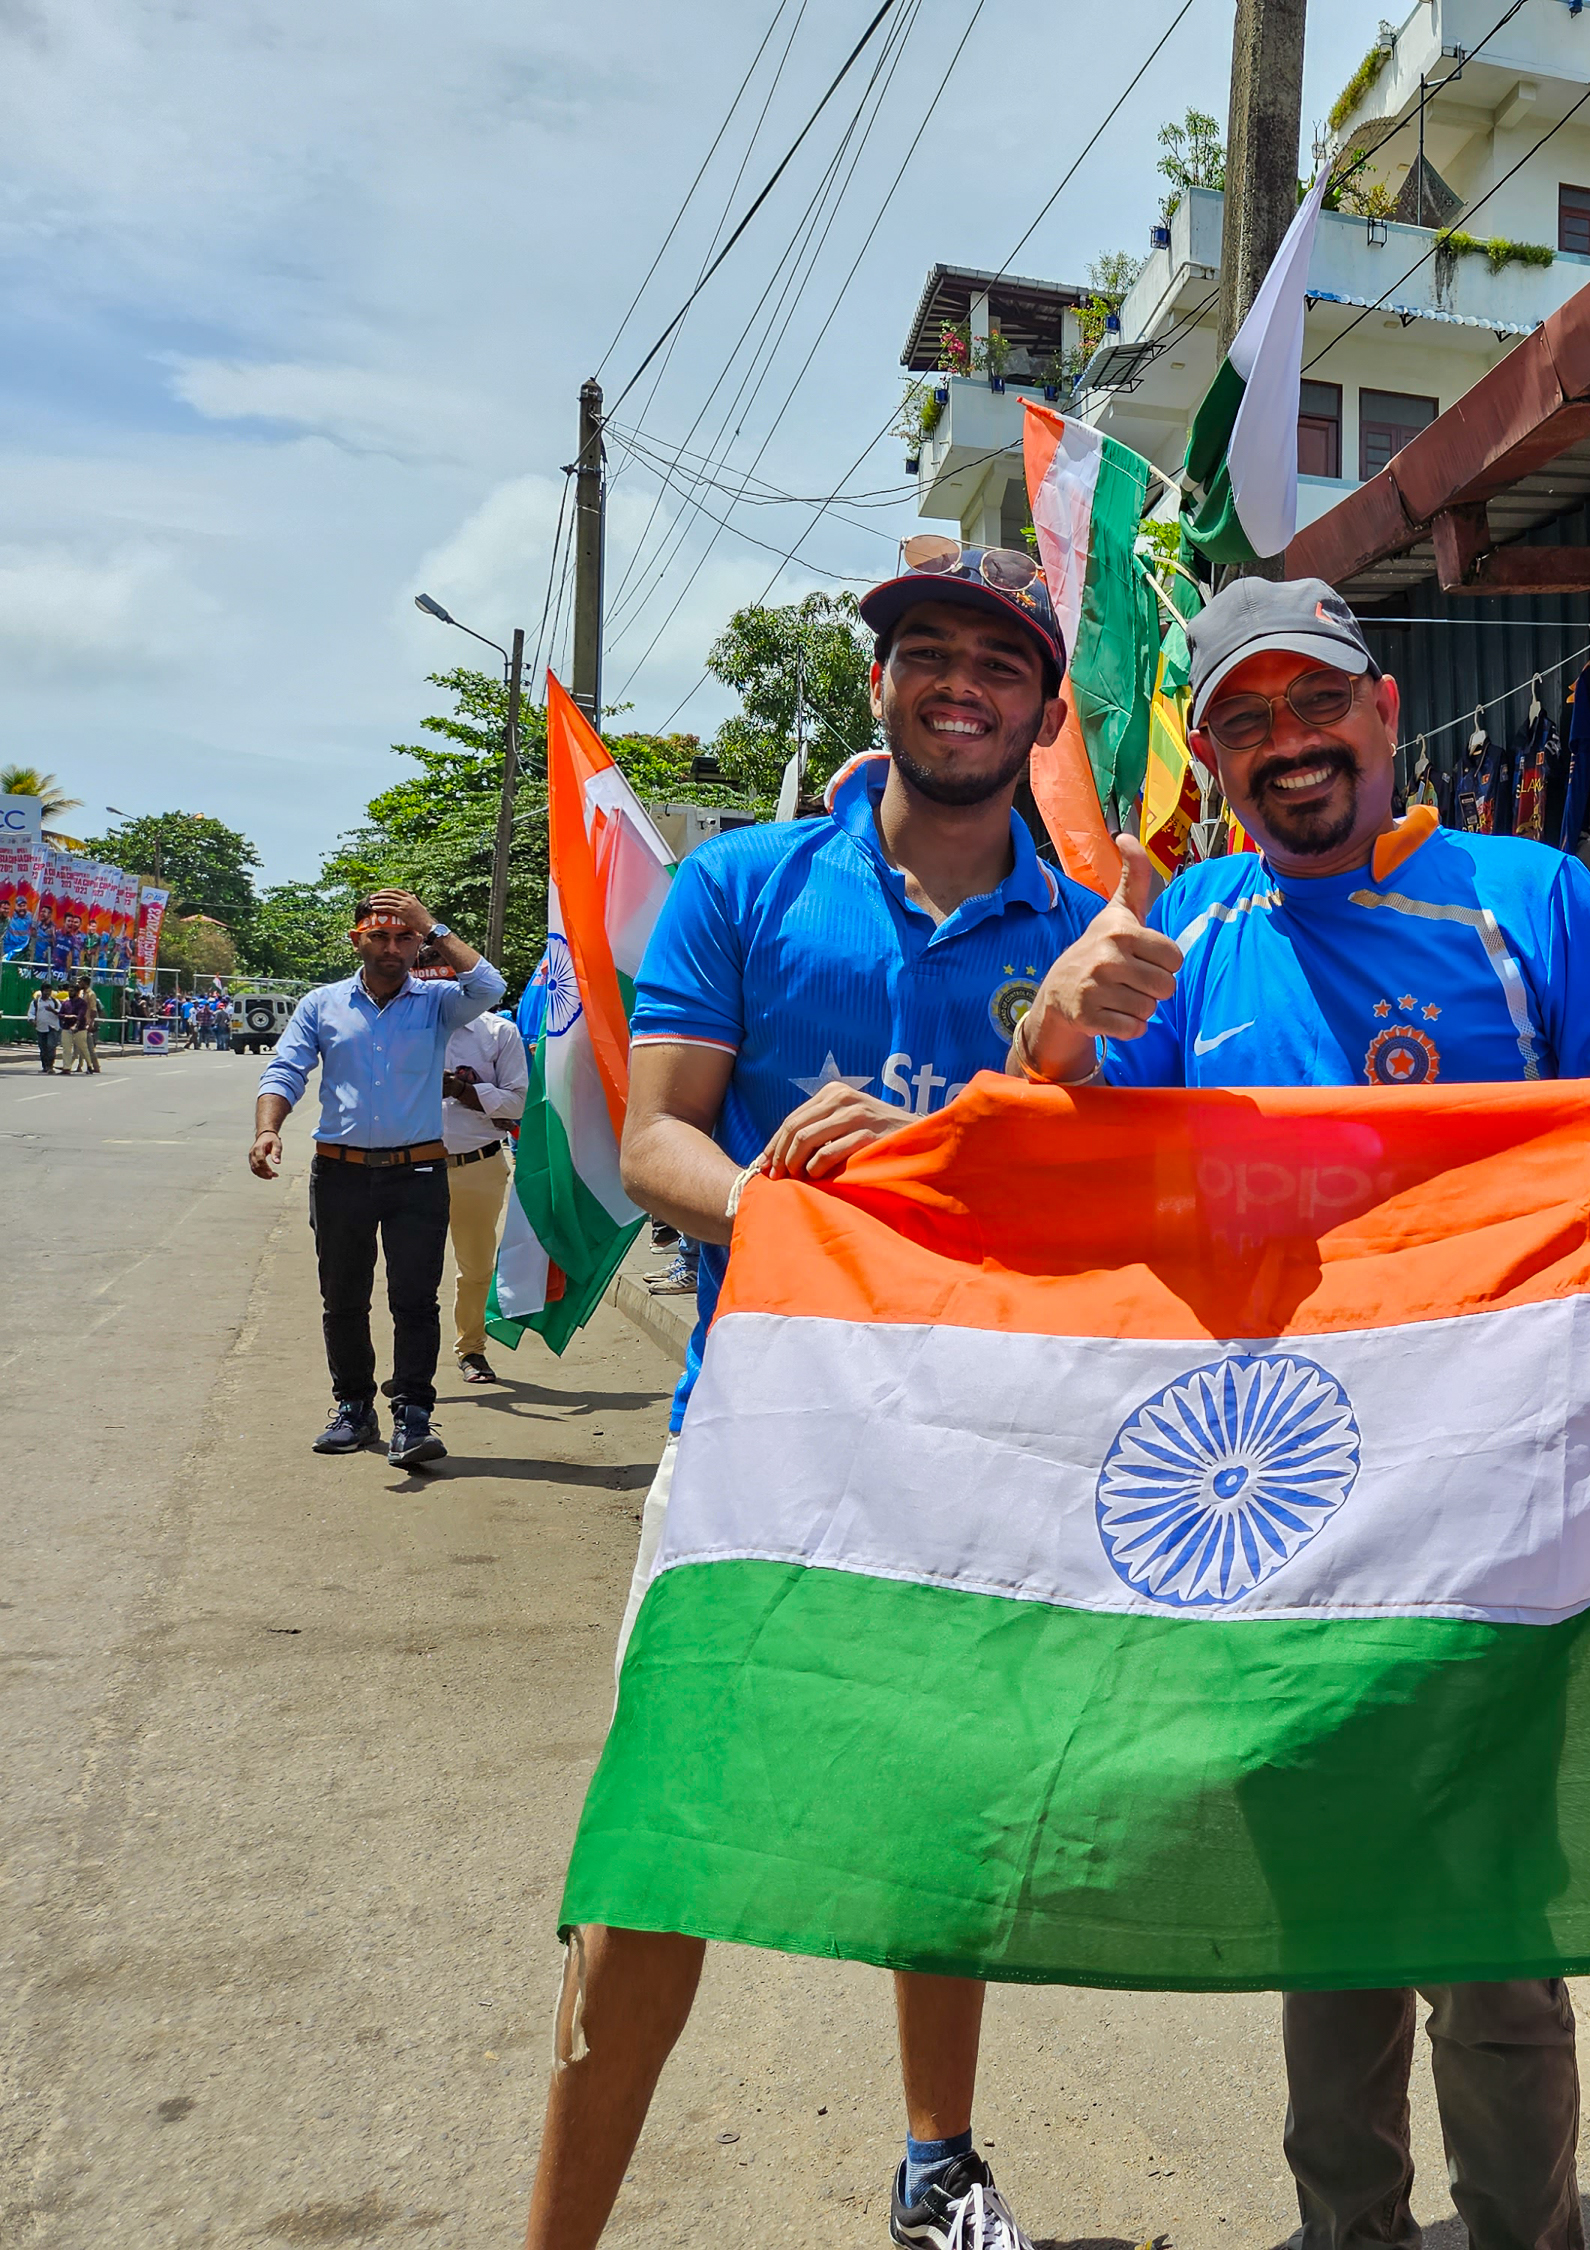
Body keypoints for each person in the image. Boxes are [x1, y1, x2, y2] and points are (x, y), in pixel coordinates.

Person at [1014, 577, 1590, 2250]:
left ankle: (1526, 2238)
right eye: (1248, 724)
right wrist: (1065, 1012)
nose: (1289, 748)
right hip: (1282, 1532)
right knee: (1330, 1940)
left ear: (1383, 709)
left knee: (1495, 1953)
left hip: (1502, 1524)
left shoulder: (1532, 900)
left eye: (1314, 707)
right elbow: (1054, 1154)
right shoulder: (1181, 935)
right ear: (1206, 757)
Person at [523, 540, 1101, 2250]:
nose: (961, 685)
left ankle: (939, 2163)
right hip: (758, 1438)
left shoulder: (1084, 942)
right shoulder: (748, 885)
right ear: (881, 686)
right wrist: (805, 1212)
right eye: (928, 653)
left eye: (997, 665)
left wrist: (966, 1138)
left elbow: (1105, 1191)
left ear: (1042, 707)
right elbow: (652, 1141)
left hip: (979, 1445)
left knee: (948, 1832)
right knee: (655, 1864)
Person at [248, 891, 505, 1469]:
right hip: (340, 1172)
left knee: (415, 1299)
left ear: (418, 944)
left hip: (417, 1172)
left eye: (404, 937)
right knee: (343, 1298)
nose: (393, 948)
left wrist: (432, 924)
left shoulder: (439, 1003)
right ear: (357, 939)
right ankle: (353, 1408)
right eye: (381, 937)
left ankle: (413, 1413)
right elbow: (286, 1068)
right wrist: (268, 1128)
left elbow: (489, 987)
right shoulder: (321, 1004)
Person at [424, 943, 528, 1385]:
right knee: (412, 1272)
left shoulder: (498, 1033)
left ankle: (472, 1350)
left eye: (447, 978)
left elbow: (518, 1103)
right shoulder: (405, 1029)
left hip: (477, 1166)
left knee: (477, 1268)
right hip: (415, 1167)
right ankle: (413, 1366)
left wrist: (465, 1091)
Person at [61, 986, 99, 1073]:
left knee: (83, 1048)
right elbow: (60, 1014)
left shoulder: (82, 1003)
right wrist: (66, 1016)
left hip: (80, 1029)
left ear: (77, 992)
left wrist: (76, 1025)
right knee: (66, 1048)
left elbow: (81, 1015)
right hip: (66, 1028)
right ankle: (66, 1068)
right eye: (69, 991)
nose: (70, 993)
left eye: (72, 991)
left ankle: (89, 1066)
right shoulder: (66, 1003)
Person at [30, 984, 60, 1073]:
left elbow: (61, 1012)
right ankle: (45, 1066)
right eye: (46, 991)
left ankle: (50, 1066)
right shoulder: (35, 1002)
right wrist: (32, 1020)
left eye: (49, 991)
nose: (48, 993)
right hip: (41, 1028)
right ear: (42, 991)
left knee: (51, 1046)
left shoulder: (55, 1002)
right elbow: (31, 1013)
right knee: (43, 1048)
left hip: (52, 1027)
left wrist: (53, 1010)